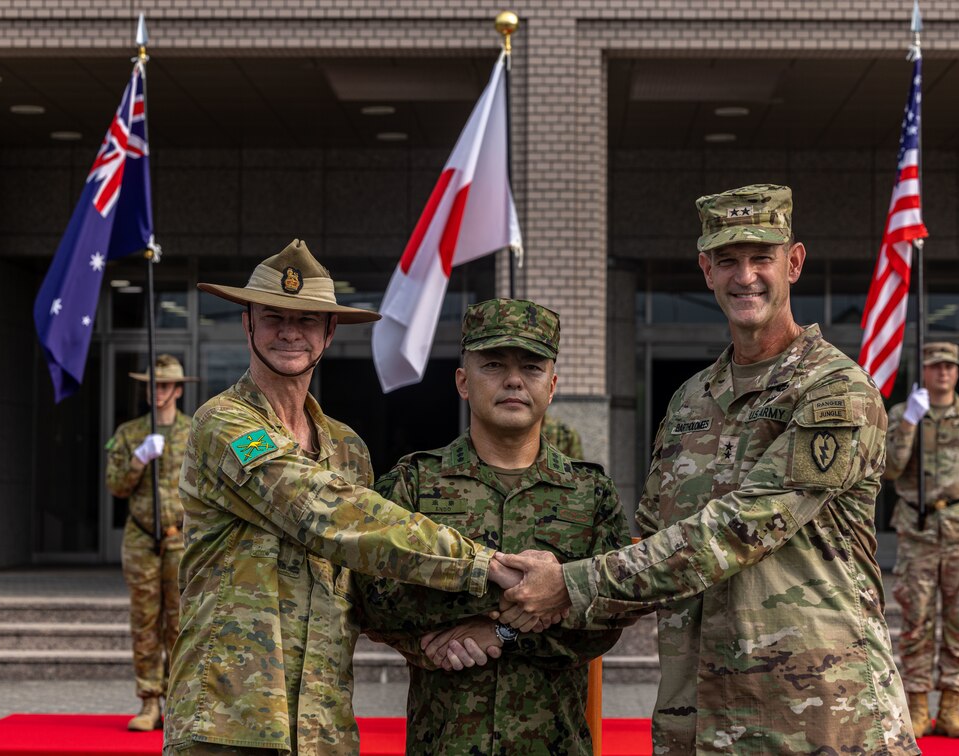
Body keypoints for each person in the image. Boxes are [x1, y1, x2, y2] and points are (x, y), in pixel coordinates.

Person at [497, 185, 919, 754]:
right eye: (727, 261)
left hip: (817, 718)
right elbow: (654, 538)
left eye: (760, 258)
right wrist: (504, 610)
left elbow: (739, 529)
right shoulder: (690, 400)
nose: (744, 276)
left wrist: (569, 584)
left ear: (793, 262)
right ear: (706, 271)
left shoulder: (835, 390)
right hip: (696, 717)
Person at [163, 240, 525, 756]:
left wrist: (436, 639)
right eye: (273, 317)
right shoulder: (223, 422)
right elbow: (324, 513)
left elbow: (362, 583)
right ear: (247, 324)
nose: (290, 331)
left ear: (329, 332)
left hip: (321, 726)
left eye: (307, 320)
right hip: (228, 718)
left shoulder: (347, 447)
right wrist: (482, 564)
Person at [353, 298, 630, 755]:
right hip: (444, 742)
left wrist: (496, 633)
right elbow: (373, 599)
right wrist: (518, 606)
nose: (514, 380)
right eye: (494, 364)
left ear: (553, 385)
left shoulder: (589, 492)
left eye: (532, 367)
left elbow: (609, 616)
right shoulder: (413, 485)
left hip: (553, 743)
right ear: (463, 381)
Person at [884, 341, 959, 738]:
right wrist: (909, 425)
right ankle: (918, 708)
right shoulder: (904, 413)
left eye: (949, 367)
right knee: (916, 621)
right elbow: (889, 469)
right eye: (936, 366)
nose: (943, 373)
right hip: (917, 531)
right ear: (925, 369)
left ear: (957, 371)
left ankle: (951, 707)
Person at [105, 353, 197, 732]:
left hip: (181, 539)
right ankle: (148, 701)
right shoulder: (130, 433)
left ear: (177, 389)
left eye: (164, 385)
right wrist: (139, 460)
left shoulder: (195, 431)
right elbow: (116, 487)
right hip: (142, 537)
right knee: (144, 623)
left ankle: (176, 703)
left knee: (180, 624)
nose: (157, 392)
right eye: (151, 385)